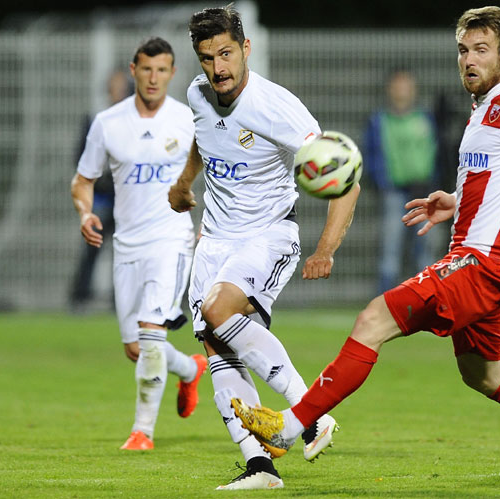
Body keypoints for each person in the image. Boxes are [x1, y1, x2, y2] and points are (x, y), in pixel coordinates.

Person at [232, 6, 500, 489]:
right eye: (463, 50)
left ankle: (289, 428)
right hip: (478, 260)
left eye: (481, 50)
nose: (469, 60)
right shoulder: (484, 108)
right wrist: (457, 201)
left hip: (482, 263)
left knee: (373, 318)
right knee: (485, 375)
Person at [167, 5, 361, 490]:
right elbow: (203, 137)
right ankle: (260, 466)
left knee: (217, 310)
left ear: (246, 48)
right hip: (214, 239)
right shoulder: (197, 93)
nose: (218, 68)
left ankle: (311, 414)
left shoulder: (275, 107)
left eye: (226, 54)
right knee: (216, 345)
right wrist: (184, 182)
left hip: (267, 235)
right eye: (208, 57)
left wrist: (326, 248)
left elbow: (346, 177)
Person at [71, 37, 207, 451]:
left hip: (172, 241)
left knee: (150, 333)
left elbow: (217, 173)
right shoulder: (108, 122)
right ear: (133, 71)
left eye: (161, 70)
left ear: (172, 73)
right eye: (146, 69)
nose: (153, 78)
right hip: (127, 246)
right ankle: (190, 370)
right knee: (138, 348)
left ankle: (142, 432)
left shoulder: (187, 120)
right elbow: (83, 180)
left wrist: (210, 223)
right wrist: (85, 213)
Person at [364, 70, 439, 293]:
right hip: (393, 192)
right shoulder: (379, 121)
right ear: (390, 89)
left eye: (406, 85)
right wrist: (380, 181)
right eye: (398, 86)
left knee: (425, 247)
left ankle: (427, 296)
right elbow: (371, 154)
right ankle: (385, 298)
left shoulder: (425, 118)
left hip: (424, 192)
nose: (402, 91)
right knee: (390, 248)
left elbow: (436, 151)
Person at [69, 69, 132, 312]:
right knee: (92, 246)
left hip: (126, 196)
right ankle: (79, 296)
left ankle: (120, 299)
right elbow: (81, 157)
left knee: (124, 250)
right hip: (102, 196)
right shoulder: (97, 118)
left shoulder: (134, 119)